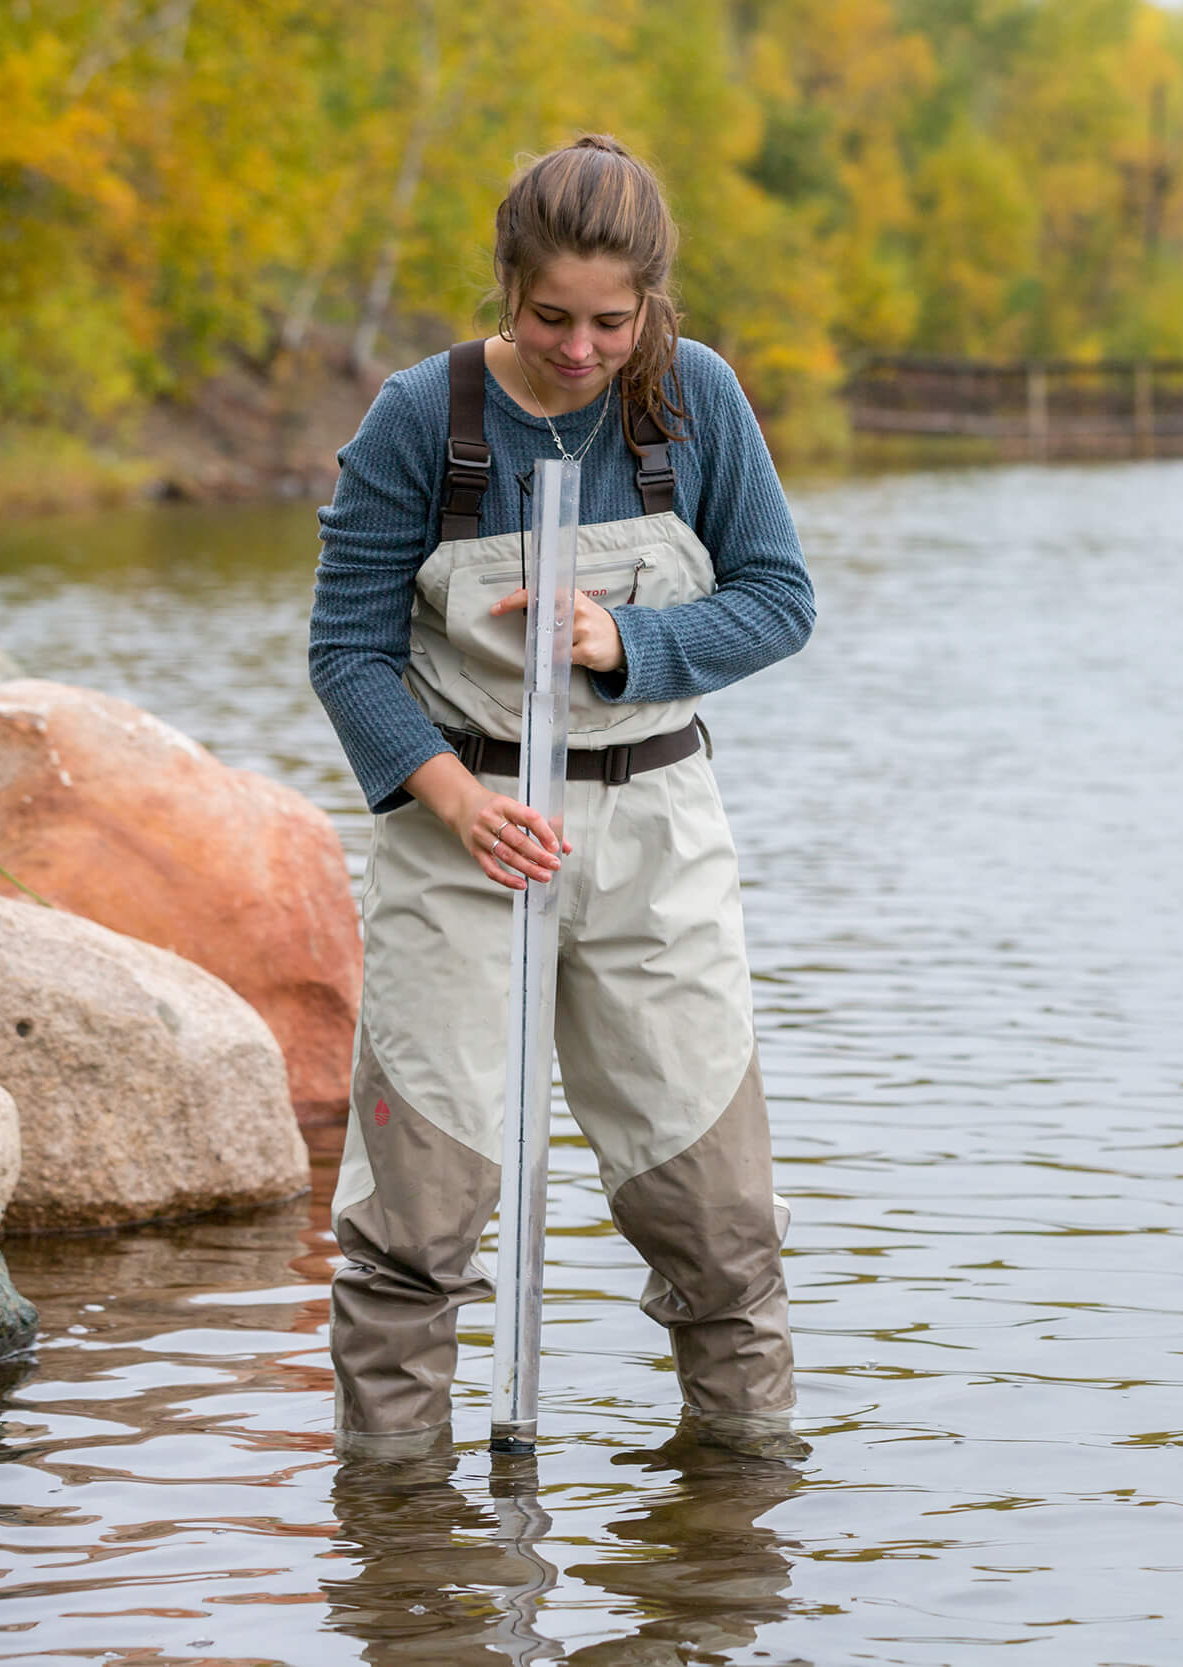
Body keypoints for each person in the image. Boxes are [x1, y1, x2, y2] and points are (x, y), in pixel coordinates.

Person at [307, 134, 815, 1463]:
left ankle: (732, 1538)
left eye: (612, 321)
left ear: (653, 301)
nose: (583, 351)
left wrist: (625, 647)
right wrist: (451, 802)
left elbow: (778, 600)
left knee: (717, 1222)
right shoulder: (424, 420)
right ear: (505, 289)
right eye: (550, 319)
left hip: (654, 835)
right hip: (462, 828)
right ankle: (404, 1557)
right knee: (414, 1225)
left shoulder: (694, 401)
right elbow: (347, 655)